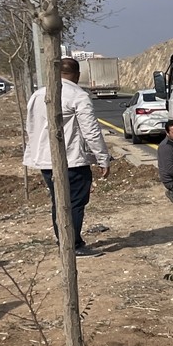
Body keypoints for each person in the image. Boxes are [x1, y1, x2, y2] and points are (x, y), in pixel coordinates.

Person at [23, 56, 111, 257]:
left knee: (59, 201)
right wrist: (102, 158)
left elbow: (31, 127)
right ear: (77, 75)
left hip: (45, 160)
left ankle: (63, 241)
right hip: (72, 161)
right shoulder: (77, 95)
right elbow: (91, 131)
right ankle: (73, 245)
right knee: (75, 202)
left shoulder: (38, 95)